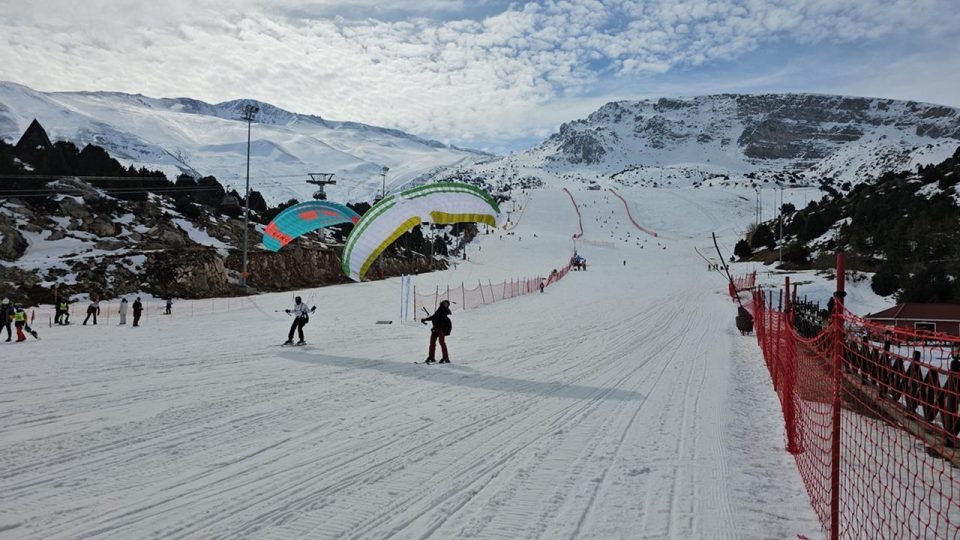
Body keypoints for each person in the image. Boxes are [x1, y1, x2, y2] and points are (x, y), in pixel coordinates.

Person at [421, 299, 452, 364]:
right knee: (432, 343)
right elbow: (434, 317)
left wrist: (439, 327)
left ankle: (445, 357)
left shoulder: (444, 311)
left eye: (447, 304)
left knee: (442, 342)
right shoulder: (439, 309)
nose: (445, 304)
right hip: (435, 329)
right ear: (442, 303)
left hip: (441, 329)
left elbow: (439, 318)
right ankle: (431, 357)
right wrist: (425, 319)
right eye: (444, 303)